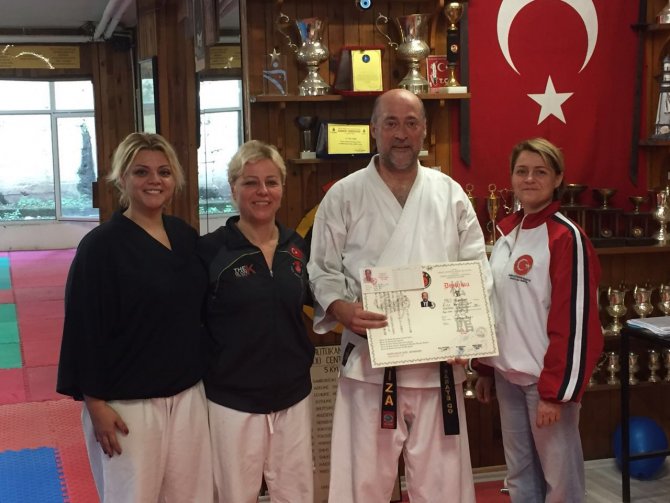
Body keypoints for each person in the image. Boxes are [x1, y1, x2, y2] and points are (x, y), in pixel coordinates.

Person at [307, 88, 490, 502]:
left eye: (410, 123)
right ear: (374, 129)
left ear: (425, 130)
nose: (401, 134)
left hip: (438, 367)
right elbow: (321, 268)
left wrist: (468, 335)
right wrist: (341, 308)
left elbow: (476, 270)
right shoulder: (344, 194)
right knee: (362, 484)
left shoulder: (449, 194)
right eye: (391, 123)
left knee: (443, 487)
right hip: (369, 365)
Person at [56, 132, 213, 502]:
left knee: (191, 496)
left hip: (187, 394)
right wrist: (95, 404)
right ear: (122, 178)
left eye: (163, 172)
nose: (154, 180)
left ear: (175, 179)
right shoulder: (101, 247)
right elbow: (83, 327)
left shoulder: (184, 236)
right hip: (127, 404)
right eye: (141, 172)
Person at [474, 138, 603, 503]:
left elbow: (576, 323)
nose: (529, 179)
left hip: (544, 384)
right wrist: (485, 368)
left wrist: (555, 394)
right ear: (511, 177)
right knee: (519, 477)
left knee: (561, 483)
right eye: (522, 171)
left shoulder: (566, 238)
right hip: (508, 379)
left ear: (557, 178)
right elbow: (496, 307)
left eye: (540, 172)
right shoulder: (507, 234)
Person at [197, 140, 315, 503]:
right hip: (232, 400)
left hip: (293, 395)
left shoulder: (297, 246)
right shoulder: (211, 251)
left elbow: (324, 298)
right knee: (235, 496)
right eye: (250, 182)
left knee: (296, 495)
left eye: (271, 182)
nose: (262, 191)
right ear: (233, 189)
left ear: (282, 188)